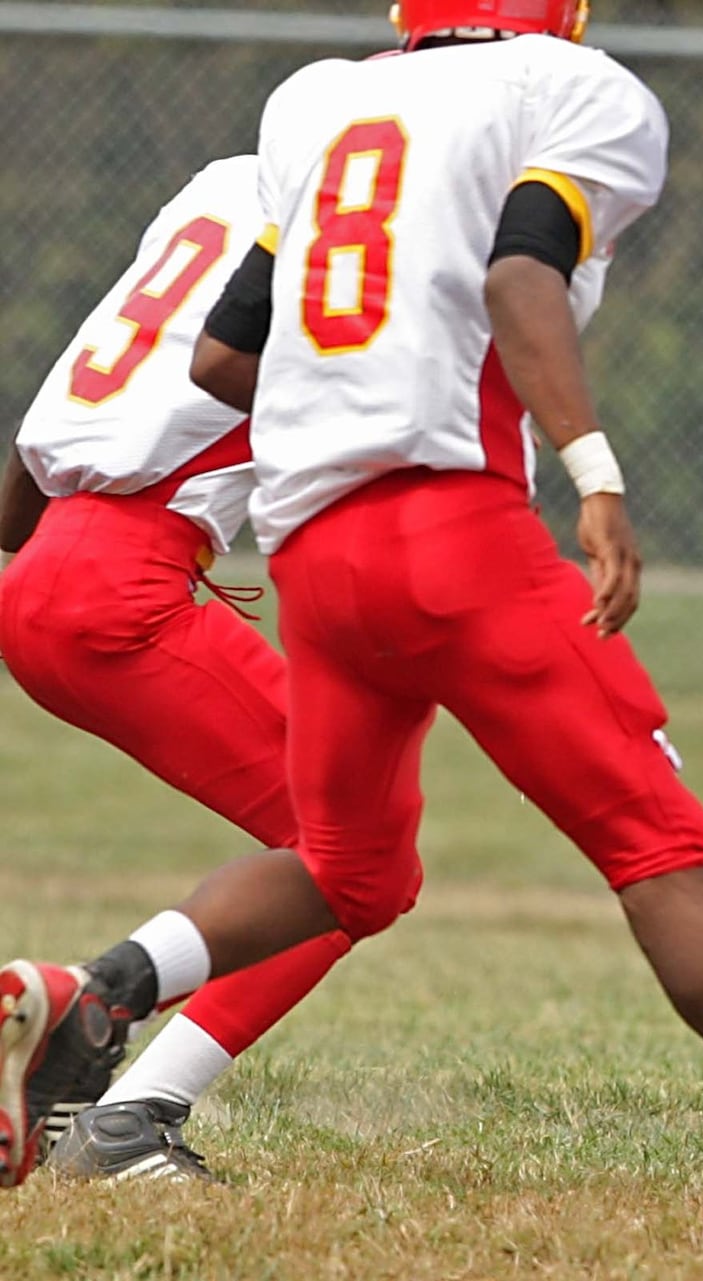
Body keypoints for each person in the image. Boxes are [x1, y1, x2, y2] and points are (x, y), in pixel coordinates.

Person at [0, 0, 703, 1254]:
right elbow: (520, 269)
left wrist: (340, 396)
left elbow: (223, 358)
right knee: (654, 839)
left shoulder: (314, 103)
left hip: (315, 552)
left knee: (348, 867)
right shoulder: (579, 91)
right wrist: (594, 471)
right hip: (448, 528)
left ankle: (95, 1001)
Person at [0, 155, 356, 1181]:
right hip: (123, 583)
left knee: (338, 848)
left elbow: (42, 438)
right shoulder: (364, 219)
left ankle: (106, 1088)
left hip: (47, 571)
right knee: (358, 856)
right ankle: (123, 1100)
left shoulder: (225, 185)